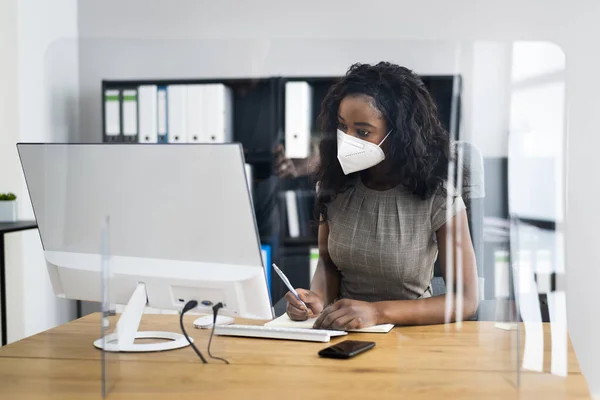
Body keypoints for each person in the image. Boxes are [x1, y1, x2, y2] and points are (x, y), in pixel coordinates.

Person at [285, 62, 478, 329]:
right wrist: (316, 299)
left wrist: (377, 313)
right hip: (344, 332)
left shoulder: (439, 196)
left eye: (363, 132)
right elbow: (328, 264)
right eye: (342, 127)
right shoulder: (334, 184)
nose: (348, 139)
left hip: (415, 334)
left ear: (399, 135)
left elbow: (466, 301)